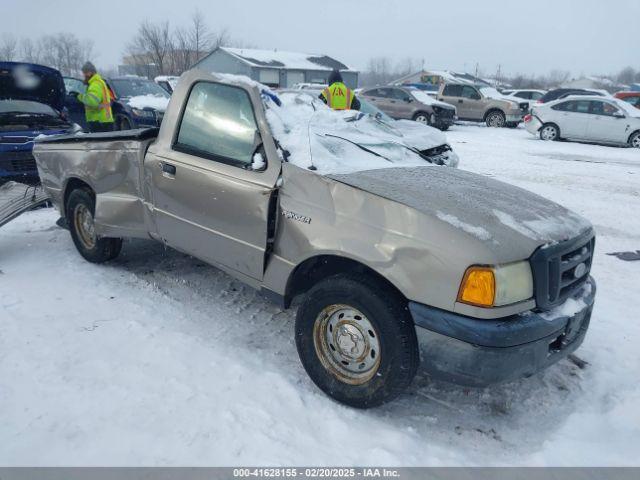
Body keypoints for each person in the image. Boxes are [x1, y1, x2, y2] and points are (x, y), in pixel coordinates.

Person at [75, 62, 115, 133]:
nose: (84, 75)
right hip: (104, 120)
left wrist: (79, 97)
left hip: (99, 121)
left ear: (90, 72)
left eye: (85, 72)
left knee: (99, 144)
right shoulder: (99, 82)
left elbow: (92, 101)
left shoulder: (95, 84)